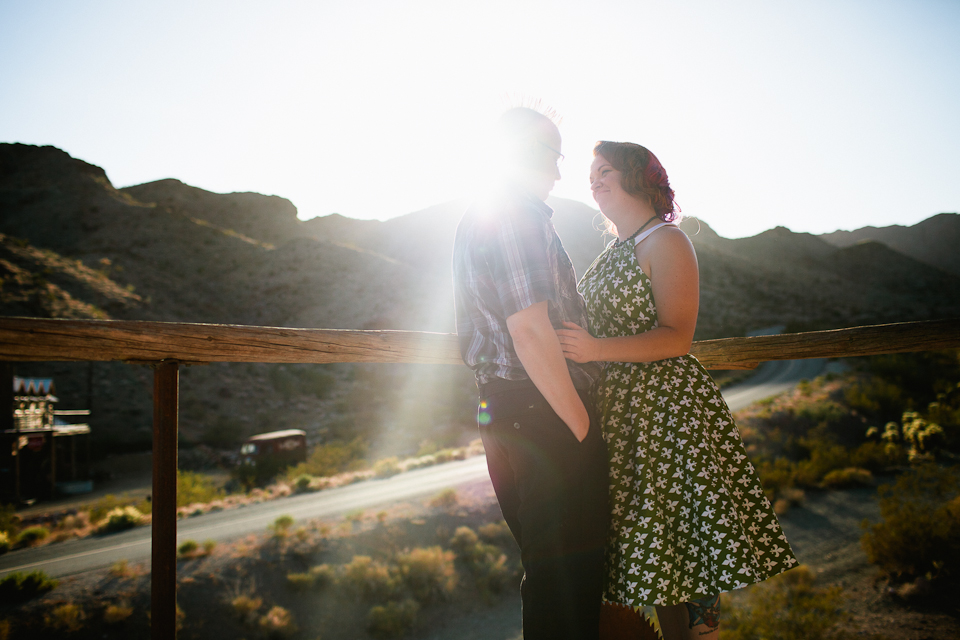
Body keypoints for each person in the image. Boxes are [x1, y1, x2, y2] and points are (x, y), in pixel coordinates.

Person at [557, 141, 799, 639]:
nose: (594, 181)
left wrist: (594, 349)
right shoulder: (614, 252)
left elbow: (677, 336)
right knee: (659, 557)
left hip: (667, 414)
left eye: (604, 171)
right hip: (623, 417)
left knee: (686, 552)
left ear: (637, 177)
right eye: (590, 174)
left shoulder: (667, 242)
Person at [452, 107, 610, 640]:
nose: (559, 174)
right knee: (567, 580)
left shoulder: (488, 213)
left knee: (550, 574)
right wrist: (581, 426)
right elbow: (529, 330)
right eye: (553, 156)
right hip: (542, 410)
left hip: (507, 408)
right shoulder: (514, 215)